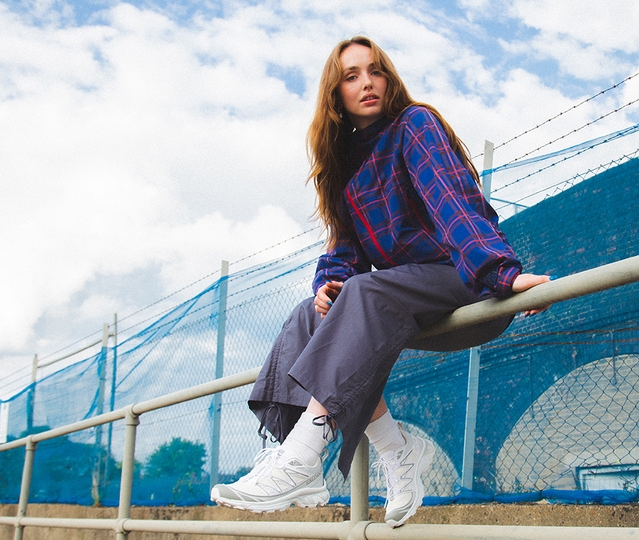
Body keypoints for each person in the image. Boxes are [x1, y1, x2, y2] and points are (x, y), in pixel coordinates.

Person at [210, 35, 551, 528]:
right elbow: (343, 250)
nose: (366, 83)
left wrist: (502, 273)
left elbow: (453, 202)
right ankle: (395, 452)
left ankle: (305, 454)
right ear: (336, 94)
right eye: (351, 76)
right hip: (402, 302)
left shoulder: (415, 125)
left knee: (365, 292)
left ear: (388, 79)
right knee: (313, 313)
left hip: (460, 281)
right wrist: (328, 287)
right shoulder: (345, 168)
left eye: (375, 71)